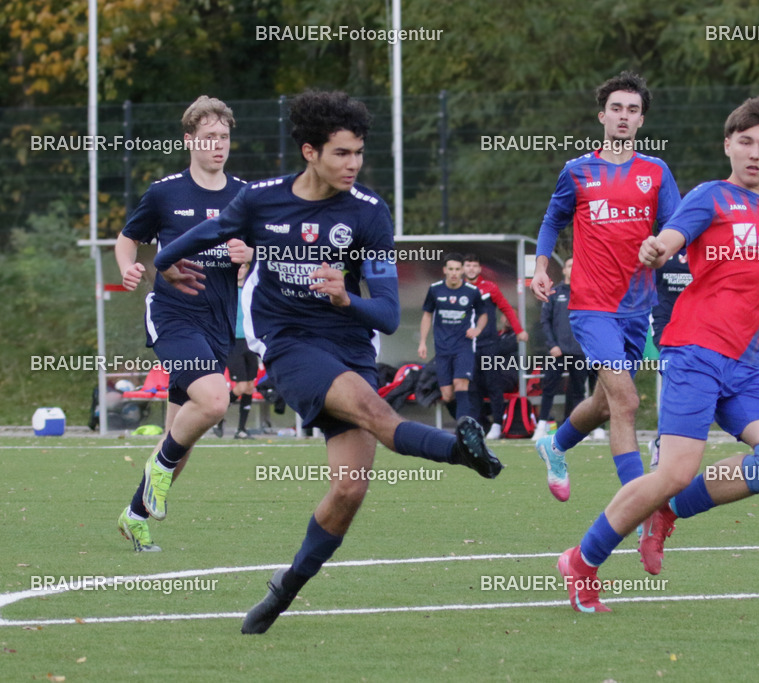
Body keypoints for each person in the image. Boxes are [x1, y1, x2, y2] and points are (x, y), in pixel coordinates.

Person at [146, 90, 503, 634]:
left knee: (350, 488)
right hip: (288, 343)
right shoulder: (262, 200)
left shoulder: (368, 212)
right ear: (310, 151)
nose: (353, 164)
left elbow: (385, 314)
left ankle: (284, 589)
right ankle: (462, 449)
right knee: (376, 413)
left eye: (358, 152)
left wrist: (345, 298)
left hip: (351, 345)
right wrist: (166, 264)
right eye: (341, 153)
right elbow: (198, 237)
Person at [556, 94, 759, 612]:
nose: (754, 153)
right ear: (727, 145)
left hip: (745, 362)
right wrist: (657, 247)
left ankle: (665, 514)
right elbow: (672, 234)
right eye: (745, 142)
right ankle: (582, 560)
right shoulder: (711, 196)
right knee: (672, 473)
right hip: (694, 352)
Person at [532, 70, 680, 503]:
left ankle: (554, 445)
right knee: (627, 401)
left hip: (638, 308)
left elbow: (675, 227)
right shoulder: (577, 171)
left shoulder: (656, 172)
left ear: (641, 122)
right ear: (602, 115)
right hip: (591, 307)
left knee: (604, 404)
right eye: (616, 108)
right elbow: (552, 220)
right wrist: (542, 266)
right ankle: (639, 506)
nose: (623, 116)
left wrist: (663, 249)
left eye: (632, 110)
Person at [114, 95, 250, 553]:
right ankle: (156, 472)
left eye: (224, 137)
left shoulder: (245, 196)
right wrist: (129, 268)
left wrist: (250, 255)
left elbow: (264, 252)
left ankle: (134, 516)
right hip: (174, 316)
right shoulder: (165, 192)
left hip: (217, 323)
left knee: (181, 442)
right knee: (214, 401)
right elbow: (128, 239)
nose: (218, 145)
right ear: (189, 140)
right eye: (208, 137)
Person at [462, 253, 528, 439]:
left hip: (489, 344)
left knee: (494, 385)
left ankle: (497, 424)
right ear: (463, 268)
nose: (471, 269)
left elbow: (506, 308)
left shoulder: (489, 288)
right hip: (467, 346)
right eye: (468, 265)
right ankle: (477, 425)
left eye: (475, 265)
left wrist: (519, 330)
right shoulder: (458, 288)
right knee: (472, 387)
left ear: (480, 268)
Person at [418, 254, 488, 420]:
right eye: (451, 269)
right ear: (445, 270)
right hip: (442, 348)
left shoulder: (471, 292)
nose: (454, 273)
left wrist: (477, 329)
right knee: (448, 395)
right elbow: (427, 315)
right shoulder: (435, 289)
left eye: (457, 269)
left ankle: (463, 430)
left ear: (462, 271)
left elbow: (483, 314)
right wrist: (422, 342)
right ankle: (468, 419)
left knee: (460, 384)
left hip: (464, 346)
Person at [647, 247, 693, 469]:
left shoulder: (706, 246)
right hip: (666, 326)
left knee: (690, 388)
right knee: (673, 378)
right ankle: (661, 444)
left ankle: (677, 442)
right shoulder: (663, 245)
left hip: (700, 327)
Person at [534, 257, 589, 439]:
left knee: (578, 390)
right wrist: (552, 345)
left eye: (576, 266)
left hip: (579, 350)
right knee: (549, 387)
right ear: (564, 270)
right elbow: (545, 321)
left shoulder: (585, 293)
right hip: (557, 351)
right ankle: (541, 427)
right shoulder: (554, 292)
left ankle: (577, 428)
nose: (573, 269)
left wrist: (586, 345)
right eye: (569, 266)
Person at [215, 261, 261, 439]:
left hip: (251, 342)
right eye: (237, 267)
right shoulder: (226, 291)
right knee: (241, 387)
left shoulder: (252, 290)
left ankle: (241, 430)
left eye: (243, 267)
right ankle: (216, 418)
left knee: (249, 387)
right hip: (233, 343)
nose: (240, 270)